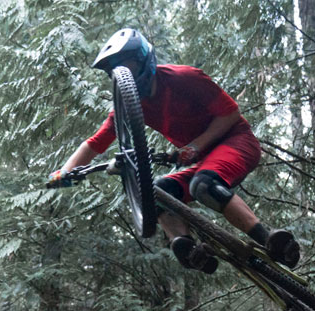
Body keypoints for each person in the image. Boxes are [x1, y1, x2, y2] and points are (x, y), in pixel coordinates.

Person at [51, 28, 301, 274]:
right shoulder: (128, 105)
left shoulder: (184, 78)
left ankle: (270, 240)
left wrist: (194, 146)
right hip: (203, 160)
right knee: (157, 191)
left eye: (129, 67)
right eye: (118, 71)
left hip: (237, 142)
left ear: (144, 61)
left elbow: (230, 114)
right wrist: (63, 174)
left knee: (203, 186)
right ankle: (189, 248)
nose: (125, 75)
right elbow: (95, 143)